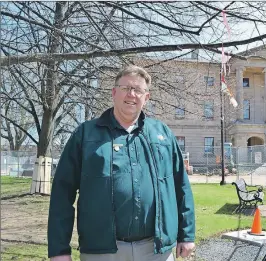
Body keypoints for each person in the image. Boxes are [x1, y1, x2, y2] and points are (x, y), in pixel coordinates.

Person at [48, 65, 196, 261]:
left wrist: (186, 234)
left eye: (138, 90)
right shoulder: (85, 135)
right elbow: (62, 193)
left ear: (146, 98)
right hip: (102, 251)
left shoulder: (162, 134)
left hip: (156, 249)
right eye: (125, 88)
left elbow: (181, 186)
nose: (131, 94)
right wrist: (59, 249)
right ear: (114, 92)